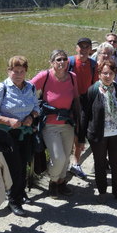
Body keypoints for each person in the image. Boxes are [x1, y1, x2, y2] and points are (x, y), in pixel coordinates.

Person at [0, 56, 40, 217]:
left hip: (24, 132)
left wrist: (31, 117)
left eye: (21, 71)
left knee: (24, 162)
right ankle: (13, 200)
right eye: (15, 71)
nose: (18, 74)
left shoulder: (31, 88)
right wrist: (8, 121)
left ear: (26, 71)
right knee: (15, 166)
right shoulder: (1, 88)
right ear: (9, 71)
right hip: (6, 134)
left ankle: (21, 193)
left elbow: (36, 107)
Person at [30, 49, 81, 198]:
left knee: (66, 157)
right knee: (58, 157)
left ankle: (61, 182)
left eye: (64, 59)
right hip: (50, 124)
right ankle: (52, 181)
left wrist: (79, 121)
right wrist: (31, 109)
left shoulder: (72, 77)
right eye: (58, 60)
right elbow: (27, 89)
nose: (62, 62)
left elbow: (76, 99)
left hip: (67, 123)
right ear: (51, 62)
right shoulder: (44, 76)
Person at [80, 60, 117, 203]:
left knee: (116, 164)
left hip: (116, 133)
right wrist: (81, 138)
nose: (108, 76)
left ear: (115, 74)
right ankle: (102, 192)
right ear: (99, 74)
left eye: (111, 73)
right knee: (100, 163)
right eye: (105, 73)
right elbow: (85, 115)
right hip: (98, 135)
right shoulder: (93, 90)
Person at [68, 37, 98, 179]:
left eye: (87, 47)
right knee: (68, 129)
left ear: (90, 49)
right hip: (68, 100)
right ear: (76, 48)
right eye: (81, 46)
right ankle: (68, 160)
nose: (84, 49)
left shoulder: (93, 64)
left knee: (81, 130)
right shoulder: (69, 62)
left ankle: (75, 162)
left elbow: (96, 84)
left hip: (86, 100)